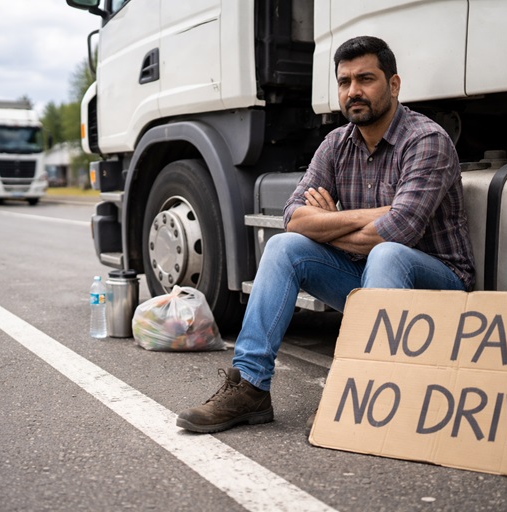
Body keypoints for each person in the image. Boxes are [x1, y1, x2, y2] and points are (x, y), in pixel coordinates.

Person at [176, 35, 475, 434]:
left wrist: (332, 223)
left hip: (440, 288)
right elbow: (294, 218)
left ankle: (368, 393)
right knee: (284, 247)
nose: (354, 91)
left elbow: (397, 232)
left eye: (366, 79)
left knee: (387, 254)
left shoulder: (426, 141)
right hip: (367, 280)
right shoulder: (336, 144)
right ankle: (250, 386)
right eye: (345, 81)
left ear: (394, 85)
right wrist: (364, 218)